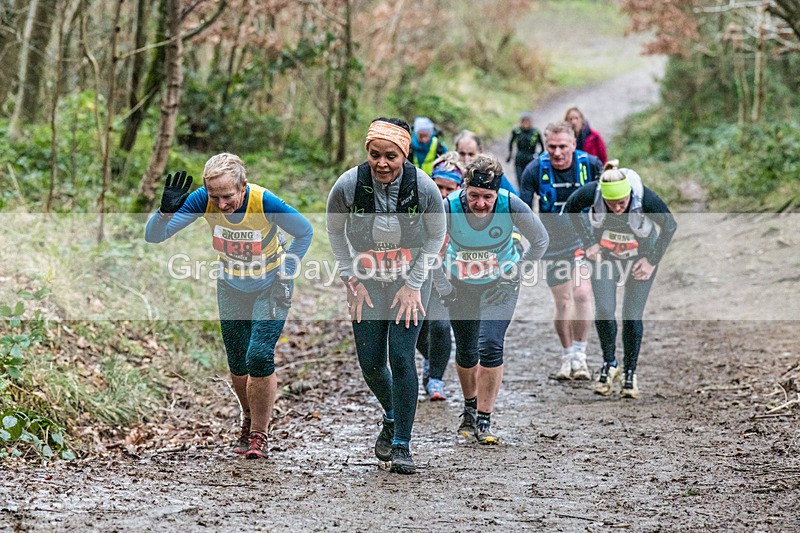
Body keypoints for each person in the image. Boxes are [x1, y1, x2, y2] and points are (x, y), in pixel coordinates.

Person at [144, 153, 313, 459]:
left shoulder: (265, 201)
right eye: (214, 197)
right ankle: (247, 420)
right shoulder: (202, 200)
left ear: (243, 186)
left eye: (228, 196)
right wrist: (164, 213)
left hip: (271, 285)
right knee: (238, 361)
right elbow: (154, 236)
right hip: (232, 287)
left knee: (259, 355)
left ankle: (260, 434)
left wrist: (287, 271)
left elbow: (305, 232)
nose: (220, 205)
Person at [326, 117, 446, 474]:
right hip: (367, 280)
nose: (382, 163)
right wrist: (351, 279)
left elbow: (435, 238)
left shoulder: (423, 187)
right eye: (375, 154)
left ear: (404, 155)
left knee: (402, 355)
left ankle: (402, 445)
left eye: (391, 156)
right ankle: (392, 415)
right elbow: (335, 232)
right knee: (372, 362)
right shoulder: (349, 184)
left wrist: (413, 285)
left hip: (409, 281)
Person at [435, 154, 549, 444]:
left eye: (487, 196)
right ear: (464, 188)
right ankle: (469, 408)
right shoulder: (448, 207)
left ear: (496, 193)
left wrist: (516, 274)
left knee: (490, 345)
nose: (481, 204)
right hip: (460, 285)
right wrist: (443, 286)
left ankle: (485, 418)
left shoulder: (509, 204)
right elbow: (428, 249)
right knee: (465, 351)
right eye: (474, 195)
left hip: (500, 285)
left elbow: (540, 240)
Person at [563, 161, 677, 398]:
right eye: (611, 203)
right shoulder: (592, 192)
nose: (616, 208)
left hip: (641, 257)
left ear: (630, 195)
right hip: (606, 255)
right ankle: (609, 363)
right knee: (604, 309)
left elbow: (669, 225)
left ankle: (630, 373)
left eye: (622, 203)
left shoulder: (645, 197)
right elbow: (571, 207)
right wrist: (589, 243)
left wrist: (652, 261)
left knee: (631, 314)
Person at [520, 122, 603, 381]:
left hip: (582, 240)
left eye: (562, 147)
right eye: (552, 147)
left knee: (581, 295)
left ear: (574, 145)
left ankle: (581, 355)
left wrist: (601, 238)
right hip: (553, 244)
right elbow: (523, 210)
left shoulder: (590, 165)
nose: (557, 152)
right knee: (564, 302)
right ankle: (567, 356)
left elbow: (606, 204)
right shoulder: (534, 170)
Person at [416, 152, 463, 400]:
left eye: (449, 188)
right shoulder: (418, 205)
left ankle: (435, 379)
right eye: (438, 186)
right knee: (418, 331)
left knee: (441, 325)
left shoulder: (461, 211)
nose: (443, 193)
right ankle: (431, 360)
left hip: (445, 280)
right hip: (415, 276)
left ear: (458, 188)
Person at [455, 130, 519, 195]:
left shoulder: (492, 175)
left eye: (471, 154)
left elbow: (516, 199)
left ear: (480, 152)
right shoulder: (449, 174)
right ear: (455, 151)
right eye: (462, 154)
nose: (466, 159)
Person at [507, 112, 544, 183]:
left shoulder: (535, 132)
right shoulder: (517, 131)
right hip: (520, 158)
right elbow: (511, 143)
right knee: (520, 179)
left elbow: (542, 146)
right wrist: (510, 155)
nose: (526, 124)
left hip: (531, 158)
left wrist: (538, 155)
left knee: (531, 179)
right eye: (524, 121)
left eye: (528, 121)